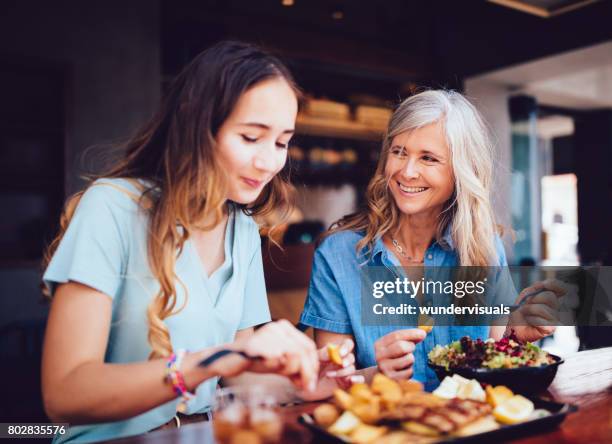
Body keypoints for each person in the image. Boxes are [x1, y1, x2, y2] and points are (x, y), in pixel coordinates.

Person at [41, 41, 358, 443]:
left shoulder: (242, 228)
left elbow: (240, 376)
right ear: (198, 125)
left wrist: (304, 382)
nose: (269, 162)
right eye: (250, 137)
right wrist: (209, 362)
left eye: (281, 142)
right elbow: (65, 393)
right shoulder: (112, 208)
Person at [299, 90, 563, 389]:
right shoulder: (338, 255)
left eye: (428, 158)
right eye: (399, 152)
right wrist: (377, 374)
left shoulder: (484, 248)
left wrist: (515, 336)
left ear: (461, 171)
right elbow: (327, 383)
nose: (407, 172)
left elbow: (495, 365)